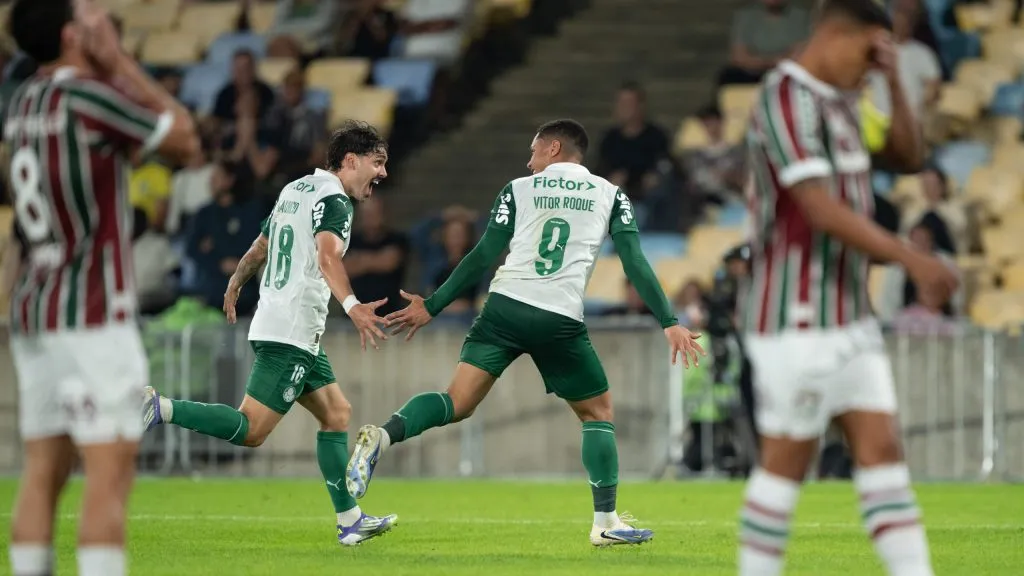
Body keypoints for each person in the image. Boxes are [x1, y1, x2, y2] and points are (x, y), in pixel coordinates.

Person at [345, 119, 705, 547]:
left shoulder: (517, 189)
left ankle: (382, 436)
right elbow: (635, 262)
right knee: (597, 412)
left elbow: (482, 256)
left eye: (534, 150)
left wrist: (433, 305)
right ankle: (605, 521)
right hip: (557, 317)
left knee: (456, 401)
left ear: (554, 148)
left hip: (503, 307)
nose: (528, 160)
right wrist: (668, 320)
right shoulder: (612, 195)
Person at [737, 1, 959, 575]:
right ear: (837, 34)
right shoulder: (785, 96)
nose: (871, 65)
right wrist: (911, 257)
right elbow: (817, 209)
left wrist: (889, 78)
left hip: (850, 315)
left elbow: (909, 156)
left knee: (883, 454)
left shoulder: (845, 102)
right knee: (787, 466)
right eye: (870, 51)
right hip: (794, 314)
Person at [2, 0, 200, 575]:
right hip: (93, 313)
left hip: (35, 311)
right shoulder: (88, 97)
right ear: (72, 35)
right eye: (92, 19)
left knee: (42, 472)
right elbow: (185, 140)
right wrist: (119, 65)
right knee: (108, 472)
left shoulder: (21, 105)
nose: (103, 25)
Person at [142, 122, 398, 546]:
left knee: (336, 413)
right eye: (378, 163)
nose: (383, 174)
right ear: (351, 161)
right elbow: (328, 255)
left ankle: (350, 521)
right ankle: (160, 407)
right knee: (252, 429)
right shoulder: (335, 200)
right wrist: (353, 307)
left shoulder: (295, 189)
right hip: (292, 332)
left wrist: (236, 281)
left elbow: (260, 245)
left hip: (284, 326)